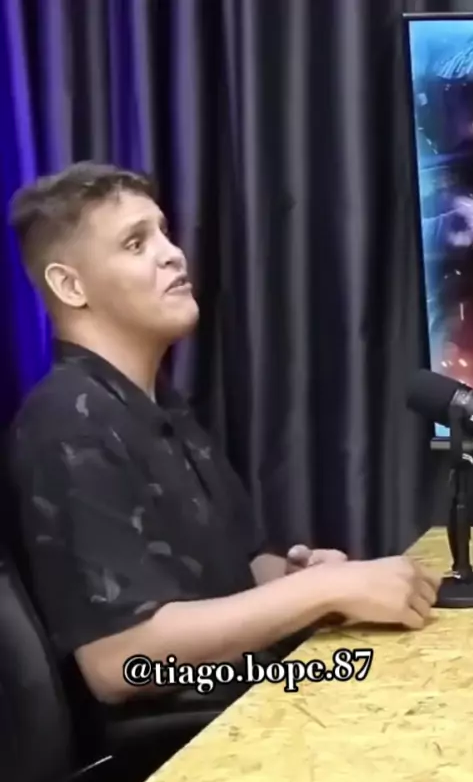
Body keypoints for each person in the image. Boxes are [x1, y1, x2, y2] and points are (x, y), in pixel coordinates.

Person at [6, 162, 440, 709]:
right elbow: (118, 662)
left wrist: (298, 579)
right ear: (71, 286)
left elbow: (243, 568)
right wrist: (318, 592)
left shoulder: (161, 407)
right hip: (186, 742)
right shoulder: (68, 420)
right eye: (136, 244)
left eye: (164, 233)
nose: (172, 253)